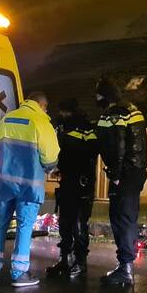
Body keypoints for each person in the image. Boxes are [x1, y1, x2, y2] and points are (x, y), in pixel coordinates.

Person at [0, 90, 59, 287]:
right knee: (24, 228)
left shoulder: (6, 119)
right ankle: (19, 273)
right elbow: (50, 157)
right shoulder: (41, 122)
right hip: (28, 186)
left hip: (4, 183)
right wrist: (48, 167)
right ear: (42, 106)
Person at [94, 77, 147, 286]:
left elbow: (118, 144)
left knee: (121, 218)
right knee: (127, 217)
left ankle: (125, 268)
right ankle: (125, 265)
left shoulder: (116, 113)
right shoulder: (133, 109)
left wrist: (115, 175)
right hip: (136, 170)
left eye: (97, 95)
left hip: (124, 174)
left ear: (103, 96)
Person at [46, 98, 98, 278]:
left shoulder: (86, 127)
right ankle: (64, 259)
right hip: (67, 181)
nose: (62, 115)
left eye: (65, 112)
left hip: (82, 182)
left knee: (78, 223)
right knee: (65, 222)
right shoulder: (60, 126)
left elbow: (91, 151)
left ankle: (80, 261)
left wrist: (68, 160)